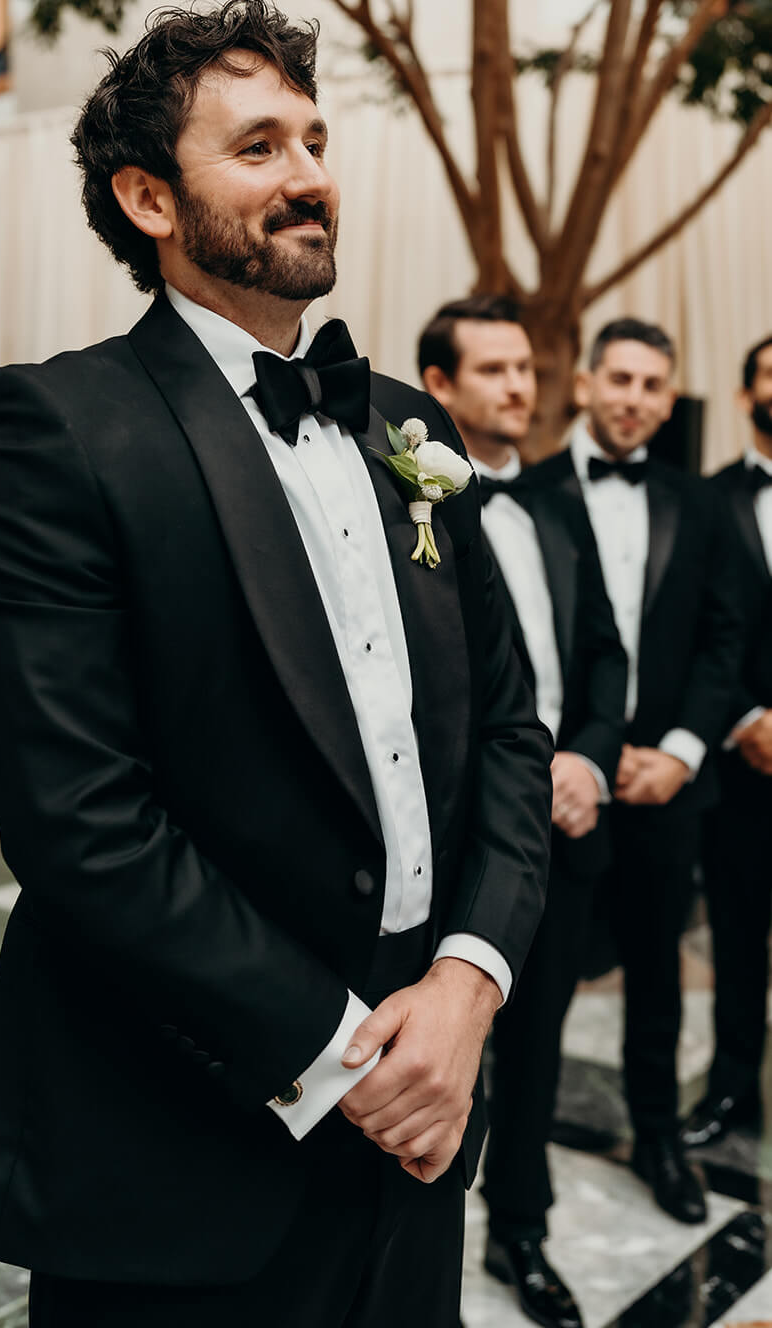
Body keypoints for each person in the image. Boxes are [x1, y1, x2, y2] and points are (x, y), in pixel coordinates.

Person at [0, 0, 553, 1328]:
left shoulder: (407, 427)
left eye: (317, 141)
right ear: (150, 197)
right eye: (259, 147)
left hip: (422, 1137)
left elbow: (507, 728)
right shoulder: (51, 430)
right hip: (182, 1144)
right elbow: (79, 822)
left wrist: (463, 987)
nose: (310, 177)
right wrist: (345, 1060)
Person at [419, 296, 626, 1328]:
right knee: (439, 1049)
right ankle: (414, 1254)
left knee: (536, 1046)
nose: (517, 387)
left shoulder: (556, 509)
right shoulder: (401, 508)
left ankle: (522, 1227)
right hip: (456, 840)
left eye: (525, 371)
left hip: (562, 831)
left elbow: (602, 656)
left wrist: (588, 757)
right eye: (492, 370)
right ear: (438, 387)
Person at [523, 319, 742, 1226]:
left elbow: (723, 641)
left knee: (657, 975)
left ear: (669, 396)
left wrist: (683, 753)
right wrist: (569, 757)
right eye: (619, 379)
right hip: (560, 790)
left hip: (662, 785)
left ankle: (657, 1139)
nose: (634, 400)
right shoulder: (524, 496)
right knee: (536, 995)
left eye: (654, 385)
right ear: (583, 383)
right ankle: (517, 1181)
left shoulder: (701, 506)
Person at [682, 334, 772, 1148]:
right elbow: (700, 632)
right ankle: (732, 1091)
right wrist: (745, 720)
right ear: (747, 394)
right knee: (738, 938)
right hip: (745, 767)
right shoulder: (709, 502)